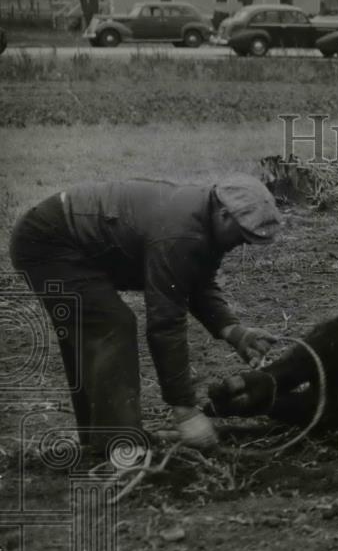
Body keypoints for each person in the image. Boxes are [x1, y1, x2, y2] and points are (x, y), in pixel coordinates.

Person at [9, 174, 282, 459]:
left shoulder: (205, 217)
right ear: (225, 214)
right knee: (111, 325)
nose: (242, 244)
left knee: (97, 327)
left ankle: (100, 442)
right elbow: (165, 323)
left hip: (63, 236)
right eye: (242, 236)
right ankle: (122, 448)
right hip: (47, 242)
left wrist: (234, 332)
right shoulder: (180, 233)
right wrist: (185, 410)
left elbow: (197, 283)